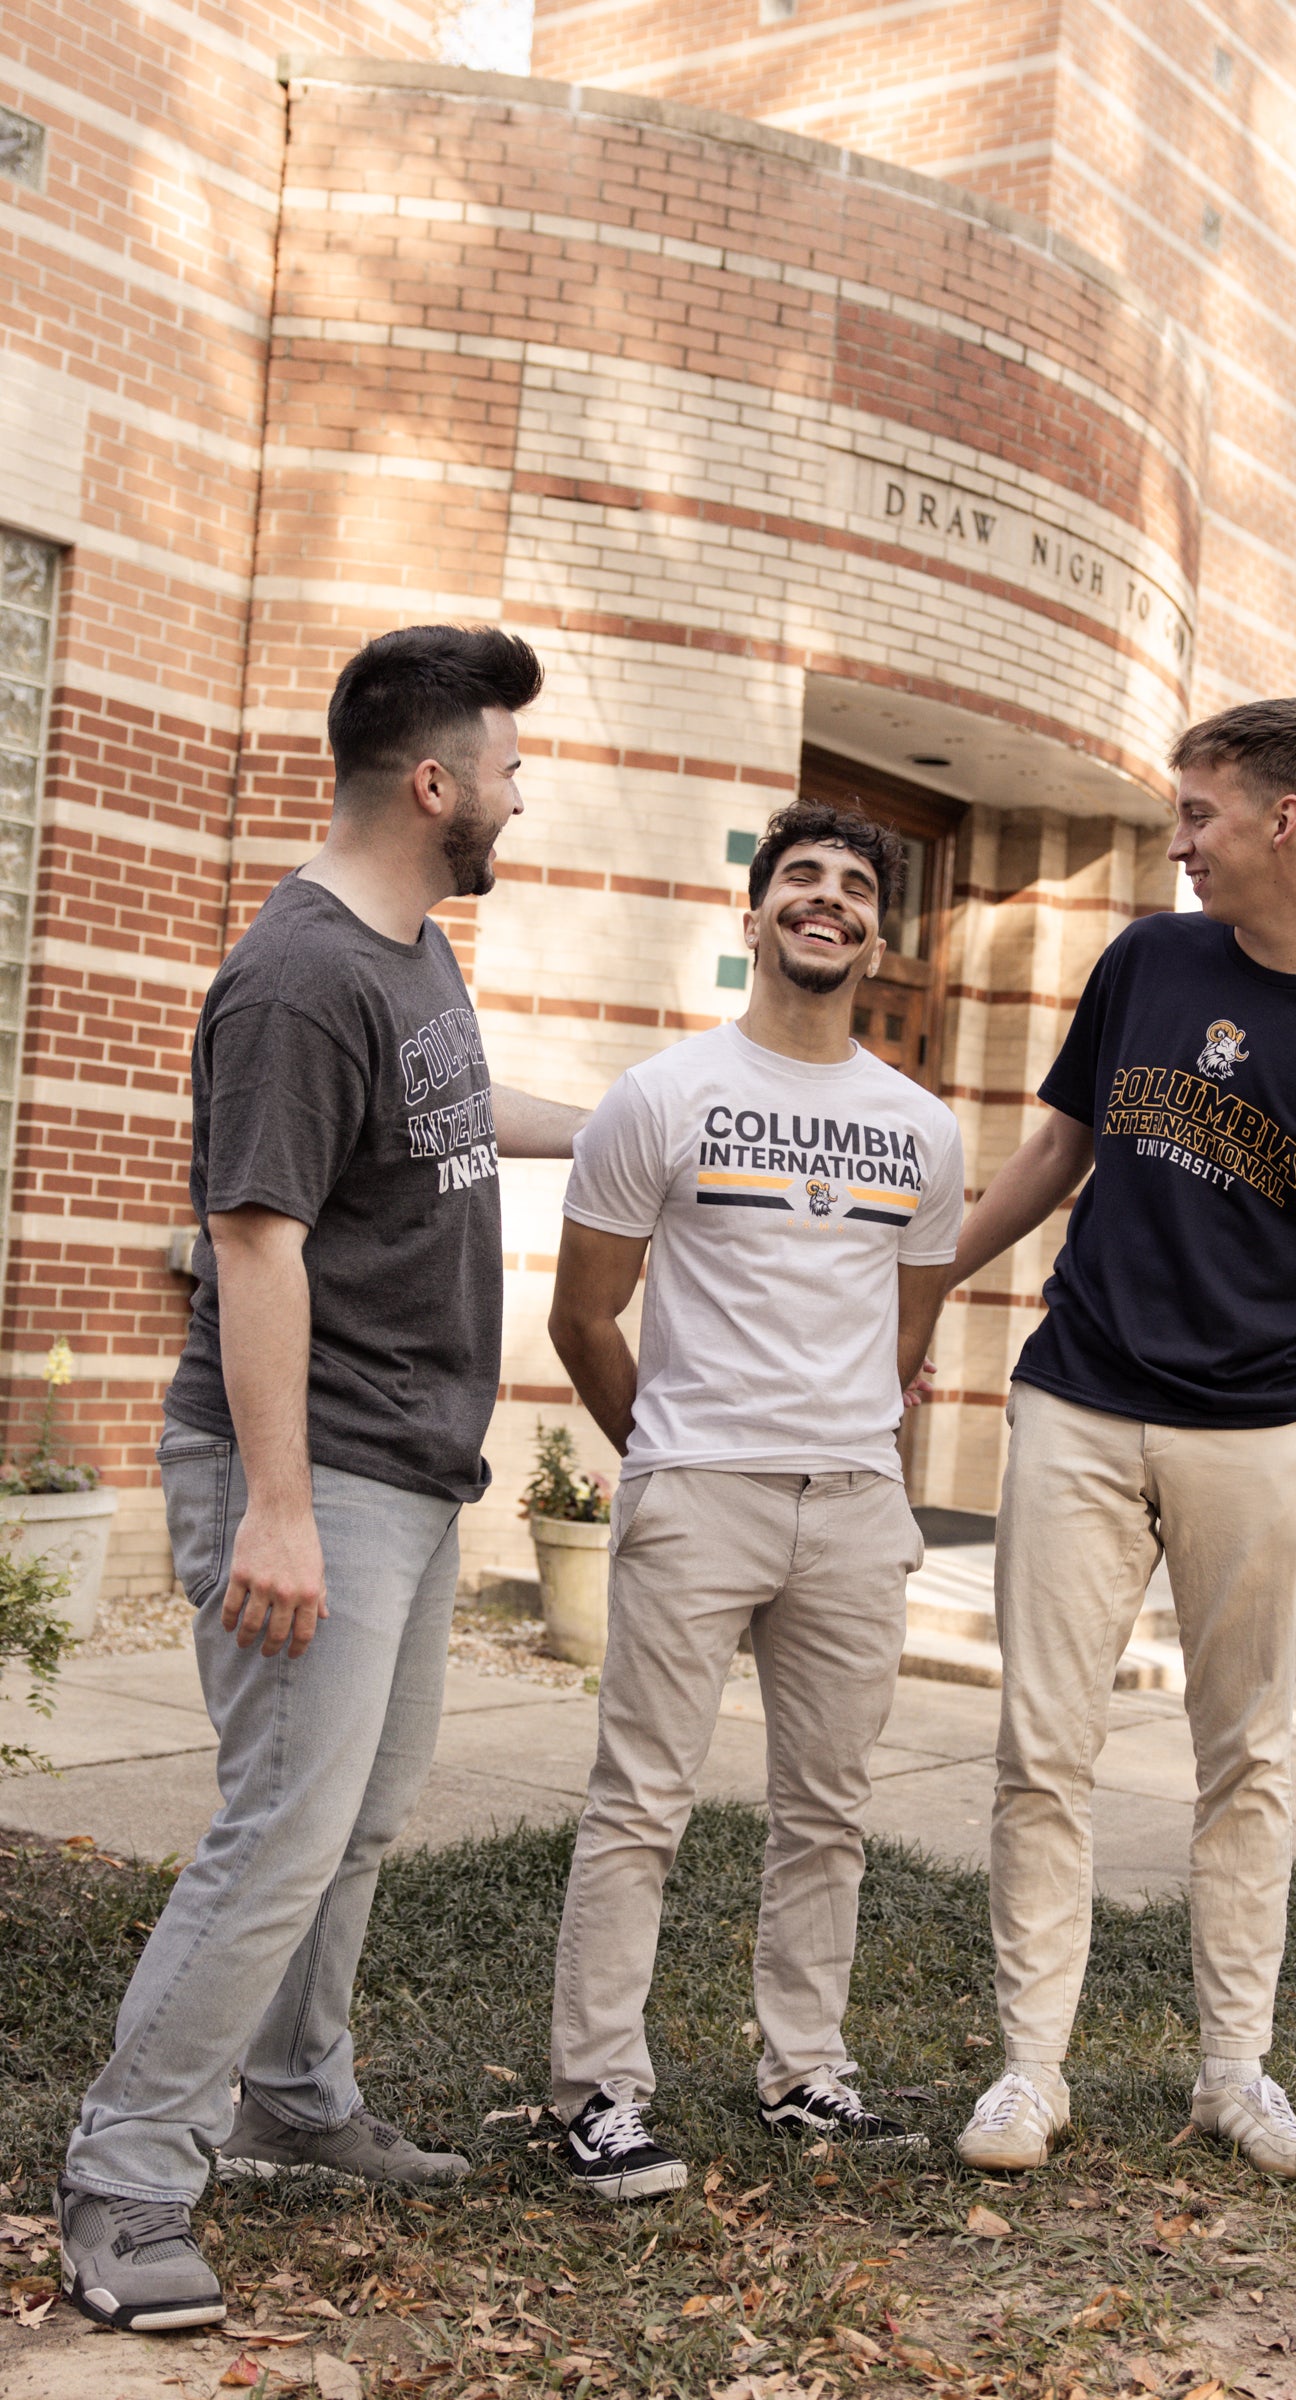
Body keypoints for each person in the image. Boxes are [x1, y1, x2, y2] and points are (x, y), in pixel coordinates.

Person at [56, 625, 587, 2331]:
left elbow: (450, 1107)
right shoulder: (296, 979)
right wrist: (275, 1509)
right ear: (432, 784)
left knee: (352, 1814)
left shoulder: (411, 949)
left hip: (409, 1463)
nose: (521, 791)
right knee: (279, 1827)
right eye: (505, 767)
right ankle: (126, 2183)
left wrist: (659, 1120)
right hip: (312, 1460)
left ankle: (296, 2095)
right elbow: (253, 1245)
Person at [951, 699, 1296, 2182]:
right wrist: (926, 1283)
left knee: (1244, 1756)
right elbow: (1058, 1149)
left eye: (1196, 813)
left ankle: (1233, 2074)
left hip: (1259, 1428)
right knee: (1040, 1745)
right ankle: (1027, 2075)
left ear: (1281, 822)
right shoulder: (1148, 962)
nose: (1177, 841)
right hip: (1082, 1394)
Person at [545, 799, 963, 2200]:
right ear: (757, 913)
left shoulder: (923, 1130)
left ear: (881, 937)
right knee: (640, 1804)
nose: (827, 899)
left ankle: (806, 2073)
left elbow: (907, 1333)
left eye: (853, 885)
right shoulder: (662, 1096)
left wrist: (839, 1430)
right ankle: (599, 2093)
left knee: (827, 1810)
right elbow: (584, 1317)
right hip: (697, 1494)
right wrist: (663, 1449)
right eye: (802, 878)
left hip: (852, 1505)